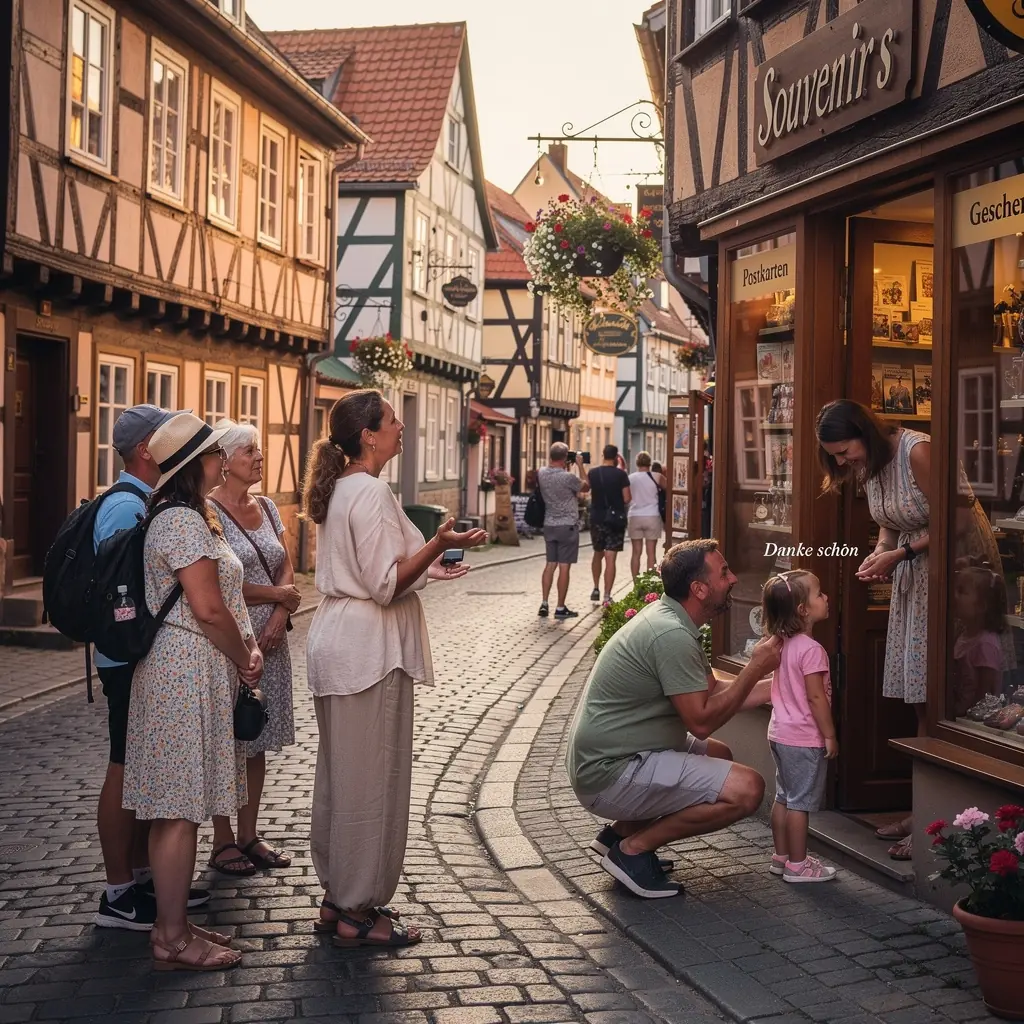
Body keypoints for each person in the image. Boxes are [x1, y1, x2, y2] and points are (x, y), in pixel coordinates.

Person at [301, 390, 486, 948]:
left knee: (340, 779)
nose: (402, 425)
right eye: (393, 419)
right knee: (371, 784)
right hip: (368, 650)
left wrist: (430, 563)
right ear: (369, 436)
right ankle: (359, 910)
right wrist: (439, 544)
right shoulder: (373, 490)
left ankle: (338, 896)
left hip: (337, 639)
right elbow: (386, 583)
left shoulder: (339, 489)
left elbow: (379, 571)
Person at [816, 399, 1008, 860]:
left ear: (864, 432)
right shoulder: (872, 463)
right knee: (921, 693)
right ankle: (921, 807)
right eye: (836, 457)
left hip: (955, 579)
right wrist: (879, 553)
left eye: (844, 452)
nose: (843, 462)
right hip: (915, 578)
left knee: (948, 695)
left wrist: (900, 555)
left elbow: (958, 521)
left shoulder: (916, 451)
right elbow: (886, 525)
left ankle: (934, 816)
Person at [123, 413, 262, 971]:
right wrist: (244, 654)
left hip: (190, 672)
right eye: (215, 454)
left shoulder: (190, 516)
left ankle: (170, 922)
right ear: (195, 464)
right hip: (182, 673)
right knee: (178, 809)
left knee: (177, 809)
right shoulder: (180, 522)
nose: (223, 461)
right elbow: (208, 607)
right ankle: (174, 939)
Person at [565, 539, 781, 899]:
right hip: (609, 772)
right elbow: (701, 721)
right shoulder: (672, 635)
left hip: (612, 756)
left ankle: (617, 835)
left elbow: (711, 691)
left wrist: (777, 686)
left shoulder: (672, 619)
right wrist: (756, 666)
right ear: (699, 588)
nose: (733, 578)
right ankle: (631, 851)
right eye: (724, 572)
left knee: (720, 756)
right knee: (748, 790)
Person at [92, 405, 210, 930]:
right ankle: (120, 891)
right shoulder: (125, 507)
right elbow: (131, 593)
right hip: (128, 656)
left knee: (141, 769)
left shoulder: (146, 501)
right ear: (148, 450)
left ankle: (146, 878)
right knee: (125, 767)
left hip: (140, 654)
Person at [207, 421, 299, 877]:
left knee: (256, 738)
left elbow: (286, 561)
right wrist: (278, 598)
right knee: (229, 739)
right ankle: (223, 840)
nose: (259, 457)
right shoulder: (207, 513)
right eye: (249, 451)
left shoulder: (267, 505)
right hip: (233, 641)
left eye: (259, 449)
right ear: (224, 461)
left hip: (272, 640)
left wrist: (281, 615)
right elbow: (220, 584)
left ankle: (249, 834)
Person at [761, 570, 838, 884]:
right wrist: (829, 734)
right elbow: (816, 697)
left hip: (779, 733)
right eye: (819, 594)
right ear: (804, 610)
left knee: (783, 796)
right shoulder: (811, 650)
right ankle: (798, 864)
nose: (826, 597)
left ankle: (781, 857)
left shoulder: (781, 645)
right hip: (804, 737)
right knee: (800, 803)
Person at [537, 442, 590, 619]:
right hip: (567, 525)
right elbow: (586, 487)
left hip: (549, 524)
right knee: (564, 567)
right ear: (565, 458)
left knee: (550, 564)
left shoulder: (542, 473)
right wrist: (580, 465)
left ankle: (544, 603)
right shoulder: (568, 478)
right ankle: (560, 608)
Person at [951, 563, 1007, 718]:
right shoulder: (961, 634)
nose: (954, 595)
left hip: (972, 720)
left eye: (961, 591)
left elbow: (985, 693)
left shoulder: (985, 644)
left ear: (981, 606)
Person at [588, 445, 632, 607]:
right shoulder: (621, 475)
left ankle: (595, 588)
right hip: (615, 520)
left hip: (597, 518)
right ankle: (607, 595)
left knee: (597, 553)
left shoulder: (593, 473)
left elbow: (586, 489)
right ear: (616, 457)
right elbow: (627, 498)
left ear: (603, 455)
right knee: (610, 557)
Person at [627, 451, 666, 581]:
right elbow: (670, 489)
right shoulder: (657, 477)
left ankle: (635, 583)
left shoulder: (630, 478)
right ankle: (650, 582)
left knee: (636, 553)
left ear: (637, 463)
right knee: (651, 553)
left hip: (635, 516)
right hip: (652, 516)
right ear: (649, 463)